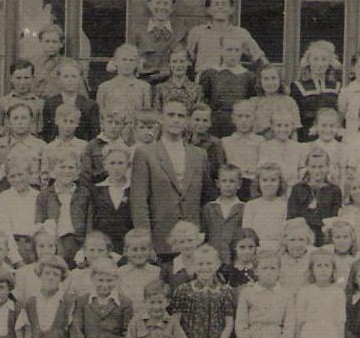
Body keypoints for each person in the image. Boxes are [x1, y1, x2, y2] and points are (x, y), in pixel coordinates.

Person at [130, 100, 215, 262]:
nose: (176, 120)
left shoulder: (199, 155)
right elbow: (139, 202)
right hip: (161, 238)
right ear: (161, 118)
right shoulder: (145, 153)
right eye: (171, 115)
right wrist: (145, 241)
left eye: (181, 116)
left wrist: (202, 234)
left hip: (192, 241)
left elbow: (206, 199)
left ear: (187, 121)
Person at [172, 244, 236, 338]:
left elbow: (229, 324)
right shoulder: (184, 290)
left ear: (217, 264)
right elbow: (176, 322)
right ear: (193, 266)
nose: (205, 268)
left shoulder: (225, 291)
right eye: (200, 264)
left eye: (209, 263)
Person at [70, 256, 133, 338]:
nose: (105, 285)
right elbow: (76, 330)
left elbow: (128, 332)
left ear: (116, 280)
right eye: (100, 280)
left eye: (109, 280)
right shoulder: (82, 301)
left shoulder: (125, 303)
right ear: (92, 279)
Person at [234, 250, 294, 338]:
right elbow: (241, 324)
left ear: (279, 271)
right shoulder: (247, 293)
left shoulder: (286, 294)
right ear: (256, 271)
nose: (269, 272)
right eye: (264, 268)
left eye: (273, 268)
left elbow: (289, 325)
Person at [293, 249, 345, 338]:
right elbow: (299, 324)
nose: (323, 270)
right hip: (309, 337)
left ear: (333, 270)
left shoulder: (338, 292)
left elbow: (340, 325)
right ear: (312, 269)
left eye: (327, 265)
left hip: (330, 337)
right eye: (319, 266)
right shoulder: (304, 291)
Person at [22, 254, 73, 338]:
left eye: (56, 274)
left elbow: (73, 334)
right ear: (39, 275)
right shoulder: (30, 302)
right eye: (47, 273)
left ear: (61, 278)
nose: (51, 277)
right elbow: (28, 333)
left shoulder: (67, 301)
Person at [186, 0, 267, 75]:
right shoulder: (197, 32)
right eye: (216, 4)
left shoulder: (241, 33)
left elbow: (260, 59)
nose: (220, 7)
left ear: (232, 9)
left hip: (232, 80)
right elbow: (186, 60)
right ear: (208, 10)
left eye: (224, 4)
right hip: (204, 80)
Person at [36, 148, 91, 263]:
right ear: (53, 170)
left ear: (77, 171)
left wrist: (84, 250)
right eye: (62, 167)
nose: (66, 171)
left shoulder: (85, 194)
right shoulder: (44, 195)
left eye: (71, 167)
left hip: (78, 245)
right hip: (54, 245)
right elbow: (40, 224)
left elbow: (89, 226)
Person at [199, 37, 257, 137]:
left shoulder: (249, 76)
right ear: (221, 51)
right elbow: (204, 100)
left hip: (239, 125)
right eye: (229, 49)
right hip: (214, 124)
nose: (233, 53)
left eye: (237, 50)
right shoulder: (210, 74)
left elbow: (251, 101)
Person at [287, 147, 342, 246]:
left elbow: (334, 218)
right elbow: (291, 217)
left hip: (325, 236)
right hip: (301, 237)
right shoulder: (298, 189)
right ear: (307, 167)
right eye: (313, 167)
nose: (317, 171)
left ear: (327, 167)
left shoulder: (334, 190)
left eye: (321, 167)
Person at [134, 0, 188, 86]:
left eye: (166, 4)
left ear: (172, 8)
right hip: (144, 81)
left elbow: (182, 59)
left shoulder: (180, 32)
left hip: (170, 82)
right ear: (149, 5)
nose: (162, 7)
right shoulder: (138, 31)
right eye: (158, 3)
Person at [291, 40, 342, 142]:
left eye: (324, 59)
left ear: (330, 62)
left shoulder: (337, 86)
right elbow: (294, 119)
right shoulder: (298, 87)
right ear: (308, 61)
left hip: (332, 136)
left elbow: (341, 115)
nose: (320, 64)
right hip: (306, 137)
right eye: (315, 59)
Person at [41, 58, 99, 142]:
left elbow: (93, 135)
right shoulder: (50, 103)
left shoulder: (90, 105)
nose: (70, 80)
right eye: (66, 76)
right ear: (59, 79)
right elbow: (47, 132)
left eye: (74, 76)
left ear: (80, 79)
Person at [90, 144, 134, 253]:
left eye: (120, 163)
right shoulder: (96, 190)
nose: (116, 168)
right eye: (112, 163)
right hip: (102, 248)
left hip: (129, 247)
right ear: (105, 165)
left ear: (128, 165)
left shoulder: (134, 189)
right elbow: (91, 221)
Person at [202, 164, 246, 265]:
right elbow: (204, 236)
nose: (227, 185)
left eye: (232, 181)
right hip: (212, 260)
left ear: (239, 184)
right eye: (224, 181)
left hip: (235, 260)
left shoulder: (244, 208)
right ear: (217, 183)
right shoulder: (209, 208)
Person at [221, 99, 263, 200]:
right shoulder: (225, 142)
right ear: (233, 118)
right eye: (240, 116)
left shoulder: (260, 141)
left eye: (247, 116)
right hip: (232, 187)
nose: (243, 120)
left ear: (254, 118)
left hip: (254, 187)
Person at [242, 162, 288, 253]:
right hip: (255, 250)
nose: (269, 184)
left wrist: (280, 251)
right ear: (258, 183)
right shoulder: (251, 205)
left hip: (279, 250)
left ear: (280, 183)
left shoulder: (285, 205)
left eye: (273, 180)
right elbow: (246, 233)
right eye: (265, 180)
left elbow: (287, 234)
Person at [97, 43, 151, 118]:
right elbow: (100, 114)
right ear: (116, 62)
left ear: (136, 64)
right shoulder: (104, 87)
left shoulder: (144, 87)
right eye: (123, 60)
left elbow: (146, 114)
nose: (127, 63)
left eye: (131, 60)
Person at [0, 59, 44, 133]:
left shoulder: (40, 104)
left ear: (32, 78)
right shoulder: (1, 103)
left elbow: (41, 132)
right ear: (11, 78)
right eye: (18, 78)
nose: (22, 82)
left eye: (26, 78)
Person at [80, 108, 130, 187]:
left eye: (117, 123)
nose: (113, 126)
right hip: (98, 188)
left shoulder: (127, 146)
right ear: (102, 124)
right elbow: (86, 173)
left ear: (122, 125)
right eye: (109, 122)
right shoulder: (92, 145)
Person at [117, 229, 162, 308]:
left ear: (150, 250)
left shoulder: (157, 272)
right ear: (126, 251)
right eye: (134, 249)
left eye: (143, 249)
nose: (139, 253)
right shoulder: (119, 273)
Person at [42, 104, 88, 181]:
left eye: (72, 122)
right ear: (57, 121)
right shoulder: (49, 148)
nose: (68, 125)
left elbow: (85, 173)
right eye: (64, 121)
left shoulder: (83, 146)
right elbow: (45, 173)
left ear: (77, 124)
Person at [152, 44, 201, 111]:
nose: (178, 65)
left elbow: (199, 114)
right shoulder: (161, 89)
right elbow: (156, 113)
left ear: (189, 63)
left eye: (182, 61)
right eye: (174, 61)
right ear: (169, 63)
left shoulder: (197, 89)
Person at [321, 218, 358, 285]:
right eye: (337, 237)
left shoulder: (356, 259)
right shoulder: (326, 256)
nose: (342, 241)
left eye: (345, 237)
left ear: (352, 238)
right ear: (331, 239)